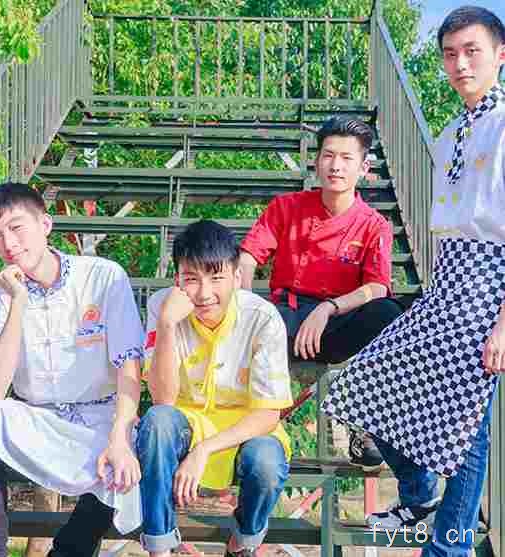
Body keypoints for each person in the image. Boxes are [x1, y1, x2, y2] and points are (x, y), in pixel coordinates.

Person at [322, 6, 505, 556]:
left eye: (471, 51)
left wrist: (502, 323)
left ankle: (450, 546)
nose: (460, 64)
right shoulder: (451, 132)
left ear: (500, 55)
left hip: (489, 281)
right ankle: (421, 491)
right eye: (450, 54)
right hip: (448, 278)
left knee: (467, 428)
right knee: (367, 382)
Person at [0, 182, 144, 557]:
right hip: (36, 419)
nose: (8, 243)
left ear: (46, 224)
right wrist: (18, 301)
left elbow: (128, 366)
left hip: (99, 420)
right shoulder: (1, 296)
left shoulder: (103, 277)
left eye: (17, 227)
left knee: (123, 469)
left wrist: (120, 437)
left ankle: (67, 551)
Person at [239, 116, 403, 469]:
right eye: (328, 155)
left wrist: (328, 308)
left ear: (364, 168)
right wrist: (244, 305)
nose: (335, 166)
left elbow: (376, 286)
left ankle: (364, 421)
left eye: (346, 158)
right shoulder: (287, 207)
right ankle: (239, 425)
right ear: (316, 161)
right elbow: (249, 256)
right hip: (284, 317)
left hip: (335, 322)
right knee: (245, 319)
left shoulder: (374, 225)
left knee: (389, 312)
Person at [138, 220, 293, 557]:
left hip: (245, 428)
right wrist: (166, 325)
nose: (204, 293)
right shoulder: (163, 307)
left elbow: (268, 414)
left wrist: (204, 450)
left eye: (216, 277)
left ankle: (242, 542)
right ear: (178, 279)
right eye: (192, 279)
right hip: (185, 423)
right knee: (157, 422)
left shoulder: (262, 317)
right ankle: (160, 547)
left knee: (267, 464)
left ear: (237, 277)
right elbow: (163, 399)